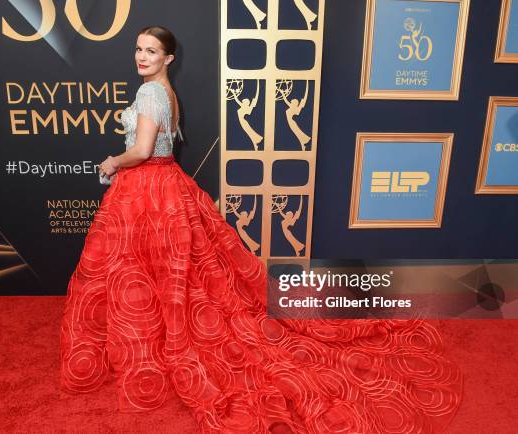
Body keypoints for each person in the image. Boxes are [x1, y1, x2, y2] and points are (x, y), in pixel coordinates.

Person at [60, 26, 462, 433]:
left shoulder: (149, 93)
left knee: (144, 269)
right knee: (177, 272)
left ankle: (159, 343)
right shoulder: (165, 92)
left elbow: (143, 151)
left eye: (151, 51)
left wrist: (113, 160)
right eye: (138, 49)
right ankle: (166, 333)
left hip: (147, 187)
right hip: (168, 186)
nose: (141, 57)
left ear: (169, 58)